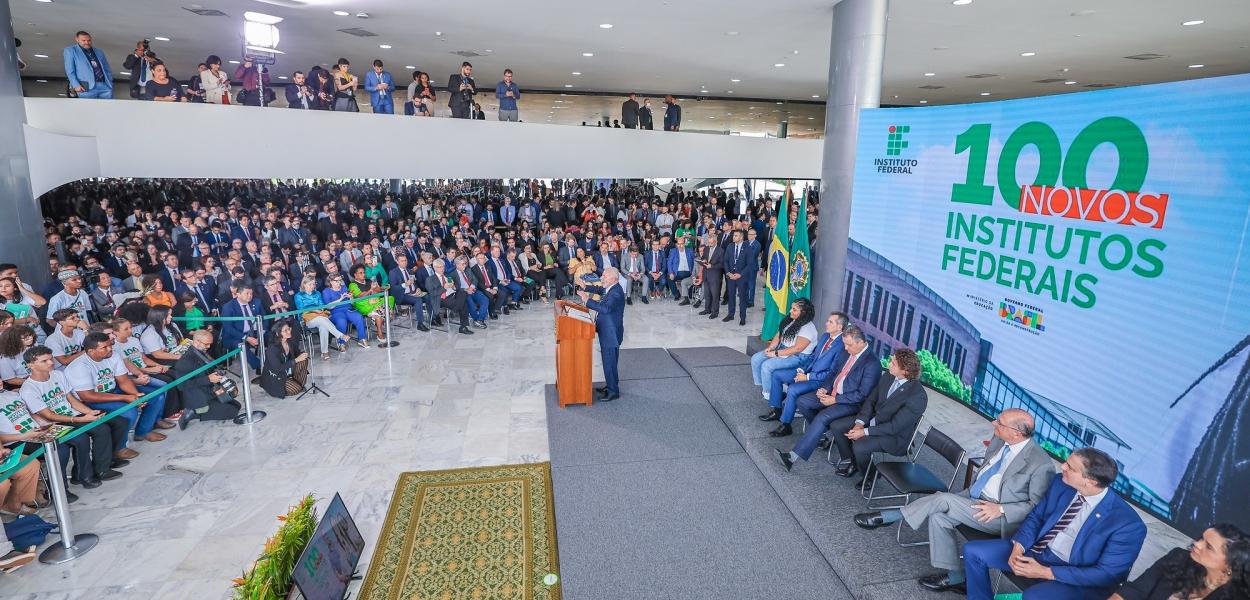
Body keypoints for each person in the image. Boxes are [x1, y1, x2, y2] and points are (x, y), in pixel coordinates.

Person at [853, 409, 1056, 594]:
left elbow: (1036, 507)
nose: (994, 423)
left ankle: (892, 516)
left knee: (944, 500)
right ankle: (956, 577)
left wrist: (1001, 508)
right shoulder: (1001, 439)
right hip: (974, 496)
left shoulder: (1040, 463)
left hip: (998, 515)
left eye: (1000, 422)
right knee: (939, 516)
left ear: (1017, 433)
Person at [964, 448, 1148, 600]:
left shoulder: (1128, 525)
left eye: (1071, 467)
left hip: (1075, 574)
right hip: (1038, 551)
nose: (1063, 466)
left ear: (1090, 481)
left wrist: (1046, 572)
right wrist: (1018, 546)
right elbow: (1037, 517)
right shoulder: (1061, 483)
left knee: (1033, 597)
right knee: (973, 552)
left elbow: (1107, 574)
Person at [20, 345, 127, 489]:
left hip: (73, 415)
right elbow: (48, 416)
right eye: (44, 361)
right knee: (86, 436)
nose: (51, 363)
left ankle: (102, 465)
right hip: (55, 423)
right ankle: (86, 475)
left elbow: (71, 399)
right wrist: (80, 419)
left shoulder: (58, 374)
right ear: (31, 365)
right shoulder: (28, 389)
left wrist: (89, 412)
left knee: (113, 422)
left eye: (50, 359)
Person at [775, 326, 880, 471]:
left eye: (849, 344)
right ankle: (820, 434)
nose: (845, 348)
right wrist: (824, 388)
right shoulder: (846, 352)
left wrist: (835, 400)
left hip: (851, 403)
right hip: (832, 393)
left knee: (822, 417)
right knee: (803, 401)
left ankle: (792, 457)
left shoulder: (872, 363)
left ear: (860, 342)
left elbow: (862, 394)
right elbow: (833, 374)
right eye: (844, 344)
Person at [828, 346, 927, 484]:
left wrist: (864, 432)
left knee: (860, 446)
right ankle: (855, 462)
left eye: (893, 363)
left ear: (905, 371)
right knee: (837, 426)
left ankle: (870, 476)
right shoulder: (888, 375)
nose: (888, 364)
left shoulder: (918, 397)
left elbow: (894, 427)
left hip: (894, 437)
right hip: (875, 421)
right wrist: (859, 423)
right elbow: (871, 400)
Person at [67, 332, 172, 444]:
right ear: (91, 351)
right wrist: (125, 398)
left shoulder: (114, 355)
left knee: (156, 396)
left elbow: (124, 381)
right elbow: (88, 396)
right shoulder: (79, 366)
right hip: (92, 400)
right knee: (129, 411)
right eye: (104, 347)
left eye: (110, 345)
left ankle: (143, 432)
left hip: (114, 390)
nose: (110, 349)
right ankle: (120, 447)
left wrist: (136, 396)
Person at [759, 309, 847, 437]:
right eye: (828, 321)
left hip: (820, 381)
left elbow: (832, 372)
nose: (826, 323)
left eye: (830, 322)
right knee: (777, 375)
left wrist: (807, 377)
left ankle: (786, 425)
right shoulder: (825, 336)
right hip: (808, 372)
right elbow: (813, 357)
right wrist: (802, 371)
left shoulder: (842, 345)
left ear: (839, 326)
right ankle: (777, 410)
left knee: (793, 389)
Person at [1111, 523, 1248, 600]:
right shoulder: (1179, 558)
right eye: (1201, 538)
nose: (1197, 544)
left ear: (1230, 564)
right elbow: (1135, 591)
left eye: (1209, 547)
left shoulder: (1239, 596)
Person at [171, 329, 241, 429]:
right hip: (198, 396)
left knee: (236, 406)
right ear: (196, 342)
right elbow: (181, 386)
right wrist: (208, 379)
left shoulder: (200, 352)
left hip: (209, 390)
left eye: (209, 344)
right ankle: (192, 412)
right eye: (206, 344)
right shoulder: (185, 361)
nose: (208, 347)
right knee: (232, 412)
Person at [750, 298, 816, 402]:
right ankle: (765, 386)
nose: (790, 311)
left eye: (794, 310)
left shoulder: (808, 328)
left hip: (798, 357)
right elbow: (778, 335)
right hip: (783, 349)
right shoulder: (790, 320)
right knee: (756, 358)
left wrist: (776, 353)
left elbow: (797, 348)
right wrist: (771, 347)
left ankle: (770, 395)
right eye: (791, 308)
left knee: (767, 365)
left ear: (803, 313)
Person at [577, 267, 625, 401]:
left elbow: (605, 308)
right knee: (610, 362)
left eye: (605, 276)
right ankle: (611, 385)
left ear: (614, 279)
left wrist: (587, 300)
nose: (601, 278)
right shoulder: (610, 287)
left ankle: (613, 392)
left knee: (609, 362)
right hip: (608, 332)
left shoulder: (616, 293)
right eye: (602, 275)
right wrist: (586, 287)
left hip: (611, 334)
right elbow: (599, 290)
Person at [294, 277, 350, 360]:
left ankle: (325, 352)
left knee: (323, 326)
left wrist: (318, 310)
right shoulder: (298, 295)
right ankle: (340, 335)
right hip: (307, 318)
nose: (312, 286)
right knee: (322, 319)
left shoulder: (317, 293)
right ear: (304, 284)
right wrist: (314, 309)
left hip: (320, 315)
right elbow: (301, 309)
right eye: (310, 284)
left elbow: (322, 306)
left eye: (314, 284)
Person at [260, 321, 309, 398]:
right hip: (275, 377)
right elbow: (278, 368)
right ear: (277, 333)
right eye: (285, 330)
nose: (289, 331)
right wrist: (296, 360)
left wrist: (302, 355)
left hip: (287, 371)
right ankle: (284, 389)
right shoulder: (272, 348)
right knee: (296, 389)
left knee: (303, 360)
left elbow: (296, 354)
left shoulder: (290, 341)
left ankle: (297, 384)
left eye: (289, 329)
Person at [220, 281, 264, 369]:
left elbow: (264, 318)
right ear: (238, 294)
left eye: (251, 293)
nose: (250, 296)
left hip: (256, 331)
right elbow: (228, 328)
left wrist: (262, 332)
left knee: (273, 337)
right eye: (247, 293)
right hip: (235, 336)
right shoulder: (228, 307)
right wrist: (246, 338)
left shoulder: (257, 302)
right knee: (241, 345)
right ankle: (260, 366)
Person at [322, 274, 370, 348]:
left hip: (348, 309)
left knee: (358, 317)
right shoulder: (326, 291)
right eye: (337, 281)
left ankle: (362, 338)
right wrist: (340, 299)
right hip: (336, 311)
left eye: (340, 280)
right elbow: (329, 307)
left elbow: (352, 303)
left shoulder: (344, 287)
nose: (339, 282)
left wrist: (351, 297)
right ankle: (341, 342)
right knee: (341, 321)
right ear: (330, 281)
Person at [63, 31, 113, 99]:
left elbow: (107, 68)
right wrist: (76, 85)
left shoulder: (99, 51)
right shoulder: (70, 51)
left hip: (105, 86)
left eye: (89, 40)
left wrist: (110, 83)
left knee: (107, 108)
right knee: (88, 108)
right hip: (85, 87)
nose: (87, 42)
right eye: (83, 40)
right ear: (77, 40)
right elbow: (70, 70)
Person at [348, 265, 392, 343]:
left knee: (390, 298)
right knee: (378, 314)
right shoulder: (352, 284)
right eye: (360, 273)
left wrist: (375, 289)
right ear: (355, 275)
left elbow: (378, 290)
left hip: (374, 301)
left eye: (364, 272)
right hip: (363, 304)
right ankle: (379, 333)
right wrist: (371, 290)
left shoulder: (369, 280)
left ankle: (383, 313)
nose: (363, 274)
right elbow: (359, 296)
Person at [722, 229, 751, 325]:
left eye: (736, 236)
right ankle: (731, 314)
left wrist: (740, 274)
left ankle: (743, 317)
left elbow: (749, 264)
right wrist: (728, 273)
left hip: (741, 277)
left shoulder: (747, 247)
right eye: (733, 235)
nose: (733, 237)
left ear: (741, 237)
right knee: (731, 296)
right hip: (730, 276)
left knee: (742, 297)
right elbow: (725, 261)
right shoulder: (730, 246)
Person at [696, 234, 723, 316]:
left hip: (715, 276)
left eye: (711, 243)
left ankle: (715, 312)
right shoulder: (706, 248)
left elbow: (722, 265)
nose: (709, 244)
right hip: (706, 274)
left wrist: (712, 266)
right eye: (708, 242)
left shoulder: (721, 251)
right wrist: (702, 261)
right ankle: (707, 309)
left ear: (716, 242)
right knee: (707, 294)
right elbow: (704, 257)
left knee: (715, 296)